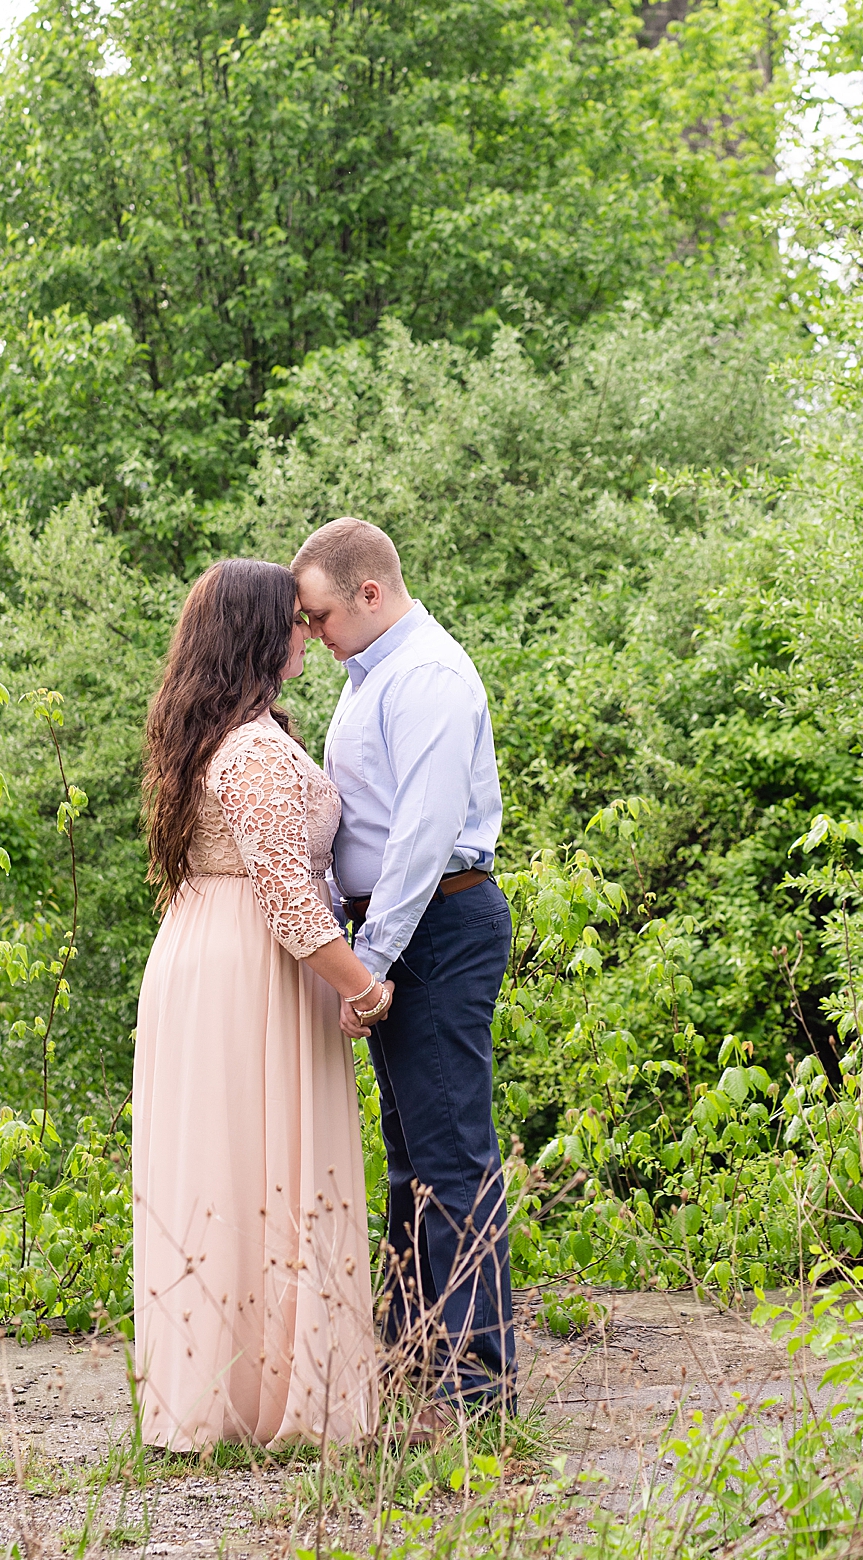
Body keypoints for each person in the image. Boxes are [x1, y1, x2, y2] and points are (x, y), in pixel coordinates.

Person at [132, 558, 390, 1450]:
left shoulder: (216, 733)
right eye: (292, 620)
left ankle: (234, 1385)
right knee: (252, 1164)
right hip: (249, 962)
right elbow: (286, 893)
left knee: (229, 1164)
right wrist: (366, 987)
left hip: (208, 947)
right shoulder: (246, 750)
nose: (308, 632)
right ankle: (262, 1398)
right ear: (255, 634)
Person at [292, 518, 516, 1427]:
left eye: (320, 616)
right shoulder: (371, 674)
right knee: (412, 1161)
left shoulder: (423, 677)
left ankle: (474, 1392)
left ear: (370, 595)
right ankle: (416, 1355)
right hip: (402, 925)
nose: (310, 635)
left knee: (452, 1156)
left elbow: (420, 836)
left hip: (435, 924)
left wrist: (370, 965)